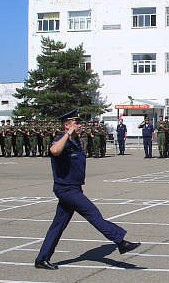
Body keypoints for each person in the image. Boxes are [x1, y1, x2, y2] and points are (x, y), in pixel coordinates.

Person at [34, 109, 140, 270]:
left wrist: (71, 135)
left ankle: (42, 259)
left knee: (58, 225)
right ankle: (120, 242)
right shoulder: (62, 142)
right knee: (93, 214)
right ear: (67, 125)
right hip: (66, 189)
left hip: (74, 188)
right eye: (76, 123)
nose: (79, 126)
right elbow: (54, 151)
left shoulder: (76, 142)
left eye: (79, 123)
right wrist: (67, 134)